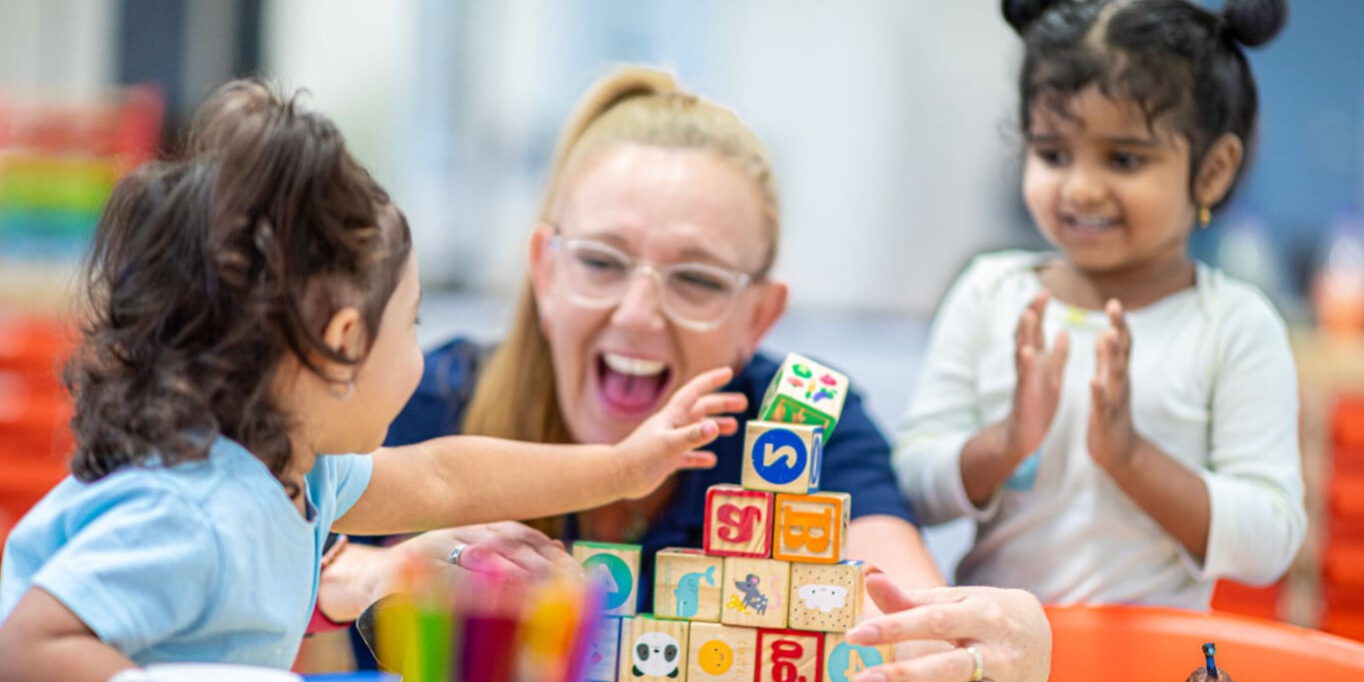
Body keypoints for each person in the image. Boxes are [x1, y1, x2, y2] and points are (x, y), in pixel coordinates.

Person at [0, 80, 744, 681]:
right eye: (411, 324)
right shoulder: (191, 509)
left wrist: (623, 466)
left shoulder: (296, 475)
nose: (419, 352)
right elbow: (28, 650)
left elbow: (446, 478)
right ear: (345, 343)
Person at [328, 66, 1051, 682]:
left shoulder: (809, 425)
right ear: (544, 272)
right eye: (602, 262)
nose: (639, 314)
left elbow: (911, 624)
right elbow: (276, 552)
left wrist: (997, 646)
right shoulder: (426, 398)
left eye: (697, 280)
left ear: (759, 316)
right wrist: (386, 575)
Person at [896, 0, 1305, 610]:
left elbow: (1271, 537)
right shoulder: (989, 295)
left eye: (1125, 158)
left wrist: (1130, 458)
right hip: (994, 655)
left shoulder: (1234, 326)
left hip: (1156, 662)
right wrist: (1007, 442)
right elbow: (911, 485)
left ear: (1212, 172)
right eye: (1053, 153)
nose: (1081, 187)